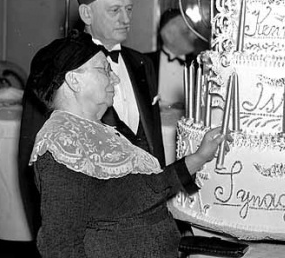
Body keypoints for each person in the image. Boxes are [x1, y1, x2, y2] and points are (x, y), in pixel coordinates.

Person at [27, 30, 228, 257]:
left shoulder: (99, 132)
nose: (116, 78)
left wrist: (199, 157)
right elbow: (60, 246)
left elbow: (147, 190)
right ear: (74, 80)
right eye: (104, 70)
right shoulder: (62, 144)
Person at [18, 0, 166, 238]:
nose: (126, 18)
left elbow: (153, 143)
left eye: (130, 9)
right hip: (91, 232)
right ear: (87, 15)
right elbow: (33, 157)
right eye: (115, 10)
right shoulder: (58, 65)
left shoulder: (142, 64)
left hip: (144, 223)